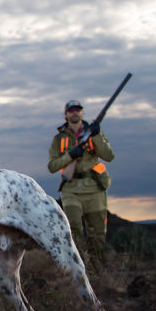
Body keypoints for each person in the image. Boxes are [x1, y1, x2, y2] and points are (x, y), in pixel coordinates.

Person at [48, 100, 114, 268]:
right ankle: (79, 270)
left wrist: (97, 135)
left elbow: (109, 156)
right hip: (70, 190)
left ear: (82, 113)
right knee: (74, 229)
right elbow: (52, 166)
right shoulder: (59, 139)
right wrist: (71, 155)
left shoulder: (94, 133)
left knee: (98, 235)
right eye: (71, 110)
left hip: (94, 189)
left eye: (78, 109)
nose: (75, 112)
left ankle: (98, 272)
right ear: (66, 114)